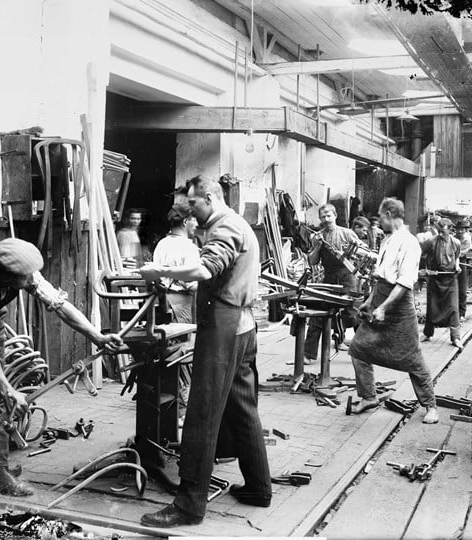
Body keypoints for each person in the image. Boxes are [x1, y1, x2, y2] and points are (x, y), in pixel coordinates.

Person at [0, 238, 124, 496]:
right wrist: (9, 390)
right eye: (25, 277)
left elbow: (60, 306)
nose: (32, 279)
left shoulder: (24, 275)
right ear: (7, 276)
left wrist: (97, 337)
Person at [138, 175, 271, 528]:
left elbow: (202, 269)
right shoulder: (239, 223)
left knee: (201, 414)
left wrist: (159, 270)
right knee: (242, 408)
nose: (191, 214)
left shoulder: (226, 226)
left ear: (210, 197)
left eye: (194, 204)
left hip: (224, 327)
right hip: (244, 326)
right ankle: (259, 488)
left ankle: (188, 506)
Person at [347, 197, 439, 424]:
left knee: (413, 358)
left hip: (399, 305)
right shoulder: (387, 240)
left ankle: (430, 406)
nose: (379, 223)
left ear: (389, 214)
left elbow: (405, 282)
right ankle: (368, 396)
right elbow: (381, 277)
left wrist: (384, 307)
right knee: (358, 349)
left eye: (381, 218)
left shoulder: (409, 242)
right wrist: (370, 302)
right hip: (381, 297)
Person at [304, 203, 361, 364]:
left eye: (329, 215)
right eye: (323, 217)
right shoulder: (317, 237)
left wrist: (348, 254)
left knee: (353, 312)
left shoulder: (348, 234)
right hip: (329, 277)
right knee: (318, 313)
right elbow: (313, 261)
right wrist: (318, 246)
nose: (326, 219)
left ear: (335, 215)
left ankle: (366, 351)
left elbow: (362, 254)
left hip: (347, 277)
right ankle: (309, 354)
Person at [152, 203, 201, 324]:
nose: (197, 225)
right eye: (194, 220)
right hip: (180, 304)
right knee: (182, 341)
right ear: (185, 222)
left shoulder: (161, 244)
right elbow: (191, 284)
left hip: (162, 302)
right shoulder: (189, 247)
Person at [420, 218, 463, 350]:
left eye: (443, 230)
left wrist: (457, 266)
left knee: (454, 308)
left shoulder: (456, 242)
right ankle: (427, 333)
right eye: (439, 230)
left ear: (450, 230)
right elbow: (420, 254)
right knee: (432, 307)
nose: (440, 233)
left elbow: (457, 257)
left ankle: (455, 337)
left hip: (450, 278)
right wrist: (425, 270)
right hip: (435, 277)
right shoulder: (431, 241)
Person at [455, 219, 472, 322]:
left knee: (462, 290)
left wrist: (454, 254)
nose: (460, 231)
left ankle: (462, 313)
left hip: (463, 262)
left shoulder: (467, 239)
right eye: (458, 229)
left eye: (462, 230)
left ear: (465, 230)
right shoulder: (453, 238)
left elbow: (462, 253)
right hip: (452, 262)